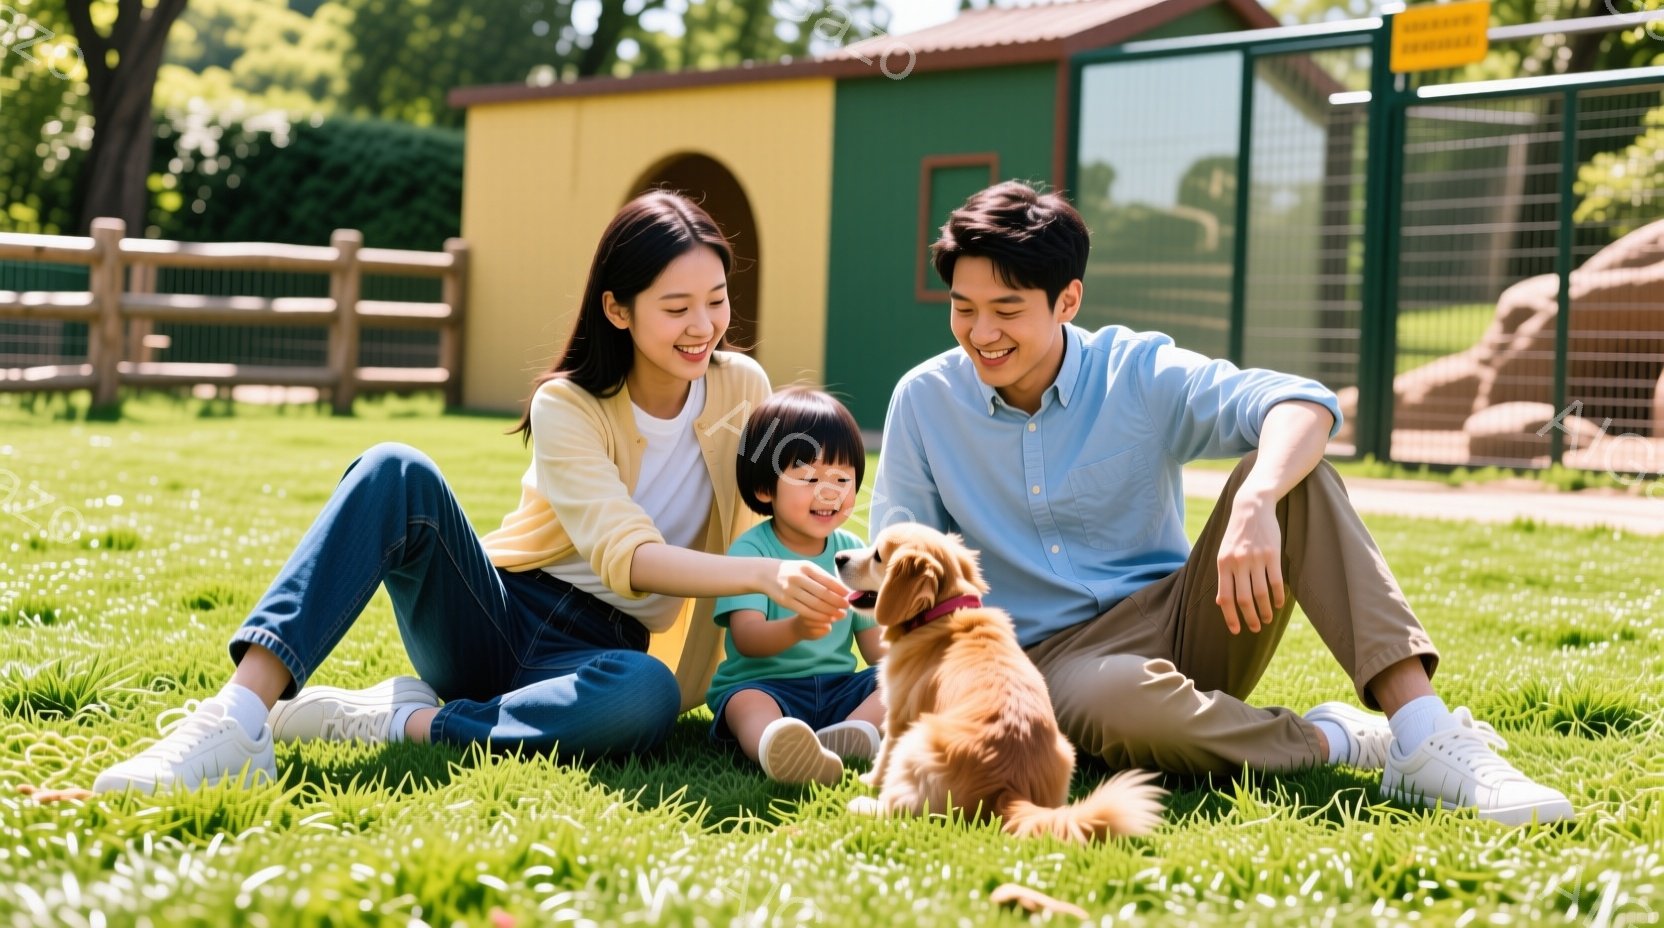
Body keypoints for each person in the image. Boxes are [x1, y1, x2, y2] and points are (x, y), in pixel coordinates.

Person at [92, 191, 852, 794]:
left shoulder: (740, 387)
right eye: (676, 307)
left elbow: (799, 497)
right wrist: (759, 574)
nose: (704, 327)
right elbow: (629, 556)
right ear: (617, 310)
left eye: (716, 301)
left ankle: (400, 723)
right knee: (396, 468)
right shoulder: (569, 406)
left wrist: (860, 565)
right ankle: (237, 718)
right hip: (496, 612)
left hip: (604, 652)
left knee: (646, 696)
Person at [868, 180, 1573, 825]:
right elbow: (898, 575)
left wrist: (1256, 499)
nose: (981, 334)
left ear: (1068, 301)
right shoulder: (925, 401)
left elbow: (1303, 404)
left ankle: (1424, 734)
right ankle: (1338, 738)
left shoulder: (1135, 368)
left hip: (1187, 616)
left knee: (1299, 477)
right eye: (964, 309)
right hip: (1050, 663)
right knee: (1122, 701)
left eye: (1006, 310)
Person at [706, 388, 886, 785]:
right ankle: (775, 744)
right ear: (765, 489)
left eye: (842, 478)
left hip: (840, 690)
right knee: (745, 704)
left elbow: (875, 648)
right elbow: (747, 638)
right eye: (809, 478)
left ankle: (854, 733)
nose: (830, 492)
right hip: (767, 687)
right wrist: (798, 629)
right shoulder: (752, 551)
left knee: (902, 679)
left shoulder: (852, 552)